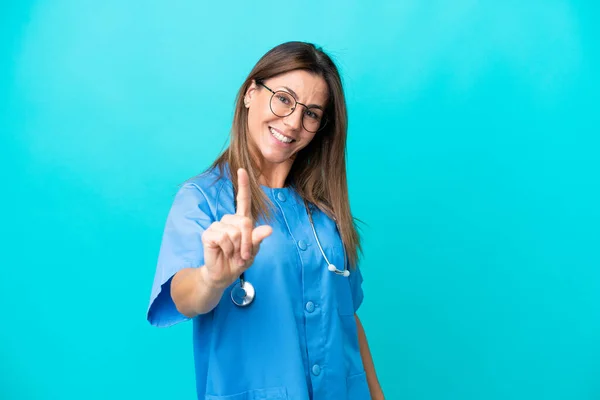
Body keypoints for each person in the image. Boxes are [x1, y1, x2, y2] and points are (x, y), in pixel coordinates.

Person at [147, 41, 384, 400]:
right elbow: (183, 294)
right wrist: (212, 279)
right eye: (284, 98)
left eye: (312, 113)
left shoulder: (325, 214)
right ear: (250, 93)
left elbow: (348, 318)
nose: (293, 122)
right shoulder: (202, 198)